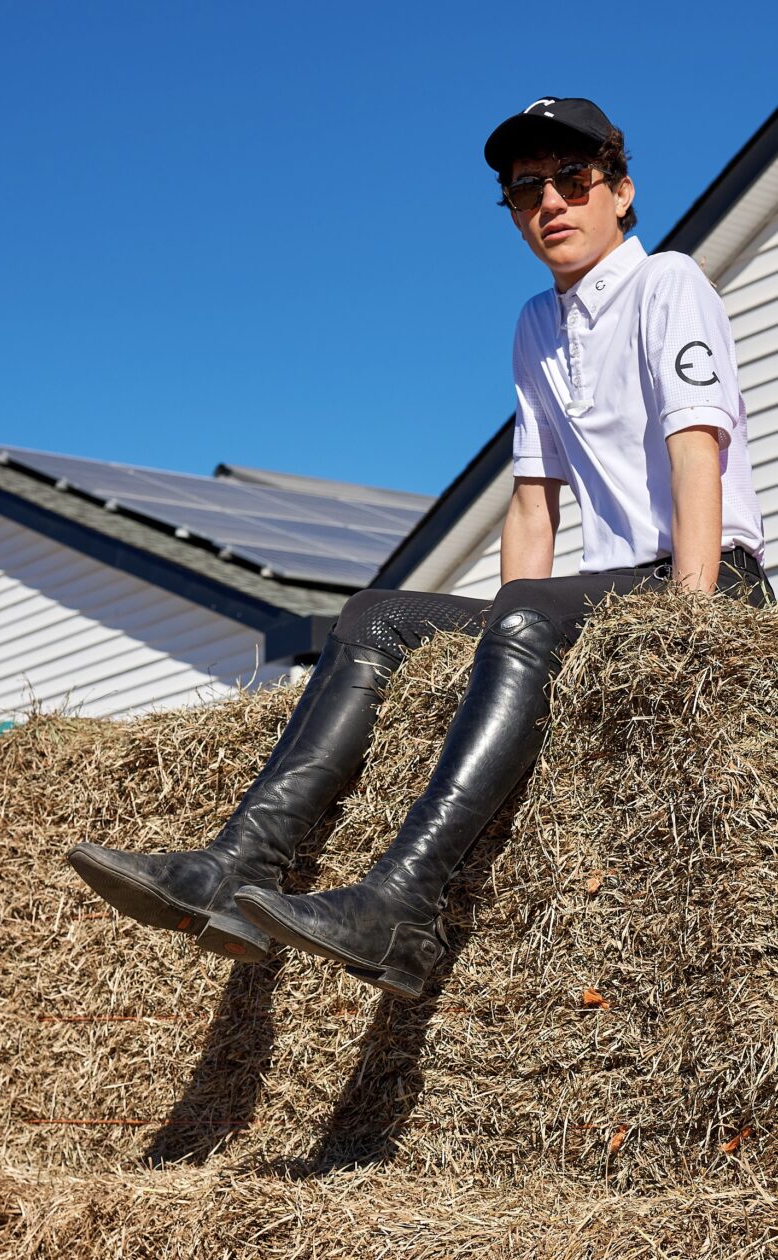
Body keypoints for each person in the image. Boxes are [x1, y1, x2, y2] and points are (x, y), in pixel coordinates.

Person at [69, 97, 773, 1000]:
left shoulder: (668, 283)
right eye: (526, 190)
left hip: (714, 582)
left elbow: (696, 454)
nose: (549, 201)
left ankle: (405, 904)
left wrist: (690, 624)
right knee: (373, 616)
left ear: (621, 190)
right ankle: (237, 871)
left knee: (525, 607)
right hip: (603, 594)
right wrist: (501, 638)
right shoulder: (536, 327)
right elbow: (530, 506)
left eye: (572, 178)